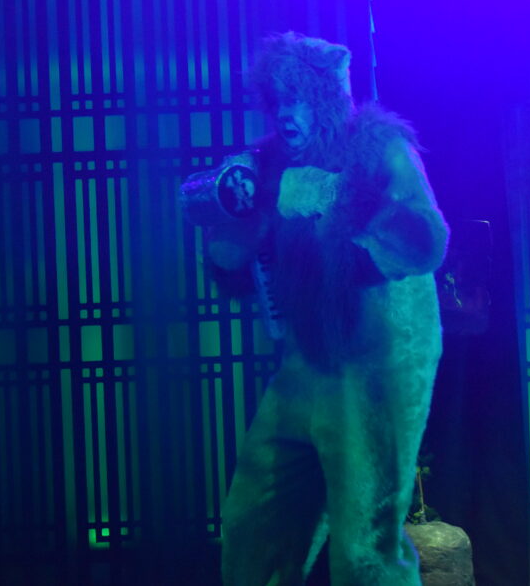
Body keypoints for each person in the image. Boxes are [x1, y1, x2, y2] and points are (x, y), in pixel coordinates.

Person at [180, 32, 448, 584]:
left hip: (378, 364)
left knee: (364, 546)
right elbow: (249, 264)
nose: (285, 114)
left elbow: (427, 243)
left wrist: (335, 196)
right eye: (277, 100)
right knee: (255, 527)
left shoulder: (380, 148)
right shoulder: (268, 164)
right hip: (304, 367)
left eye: (298, 98)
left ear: (327, 98)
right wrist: (232, 249)